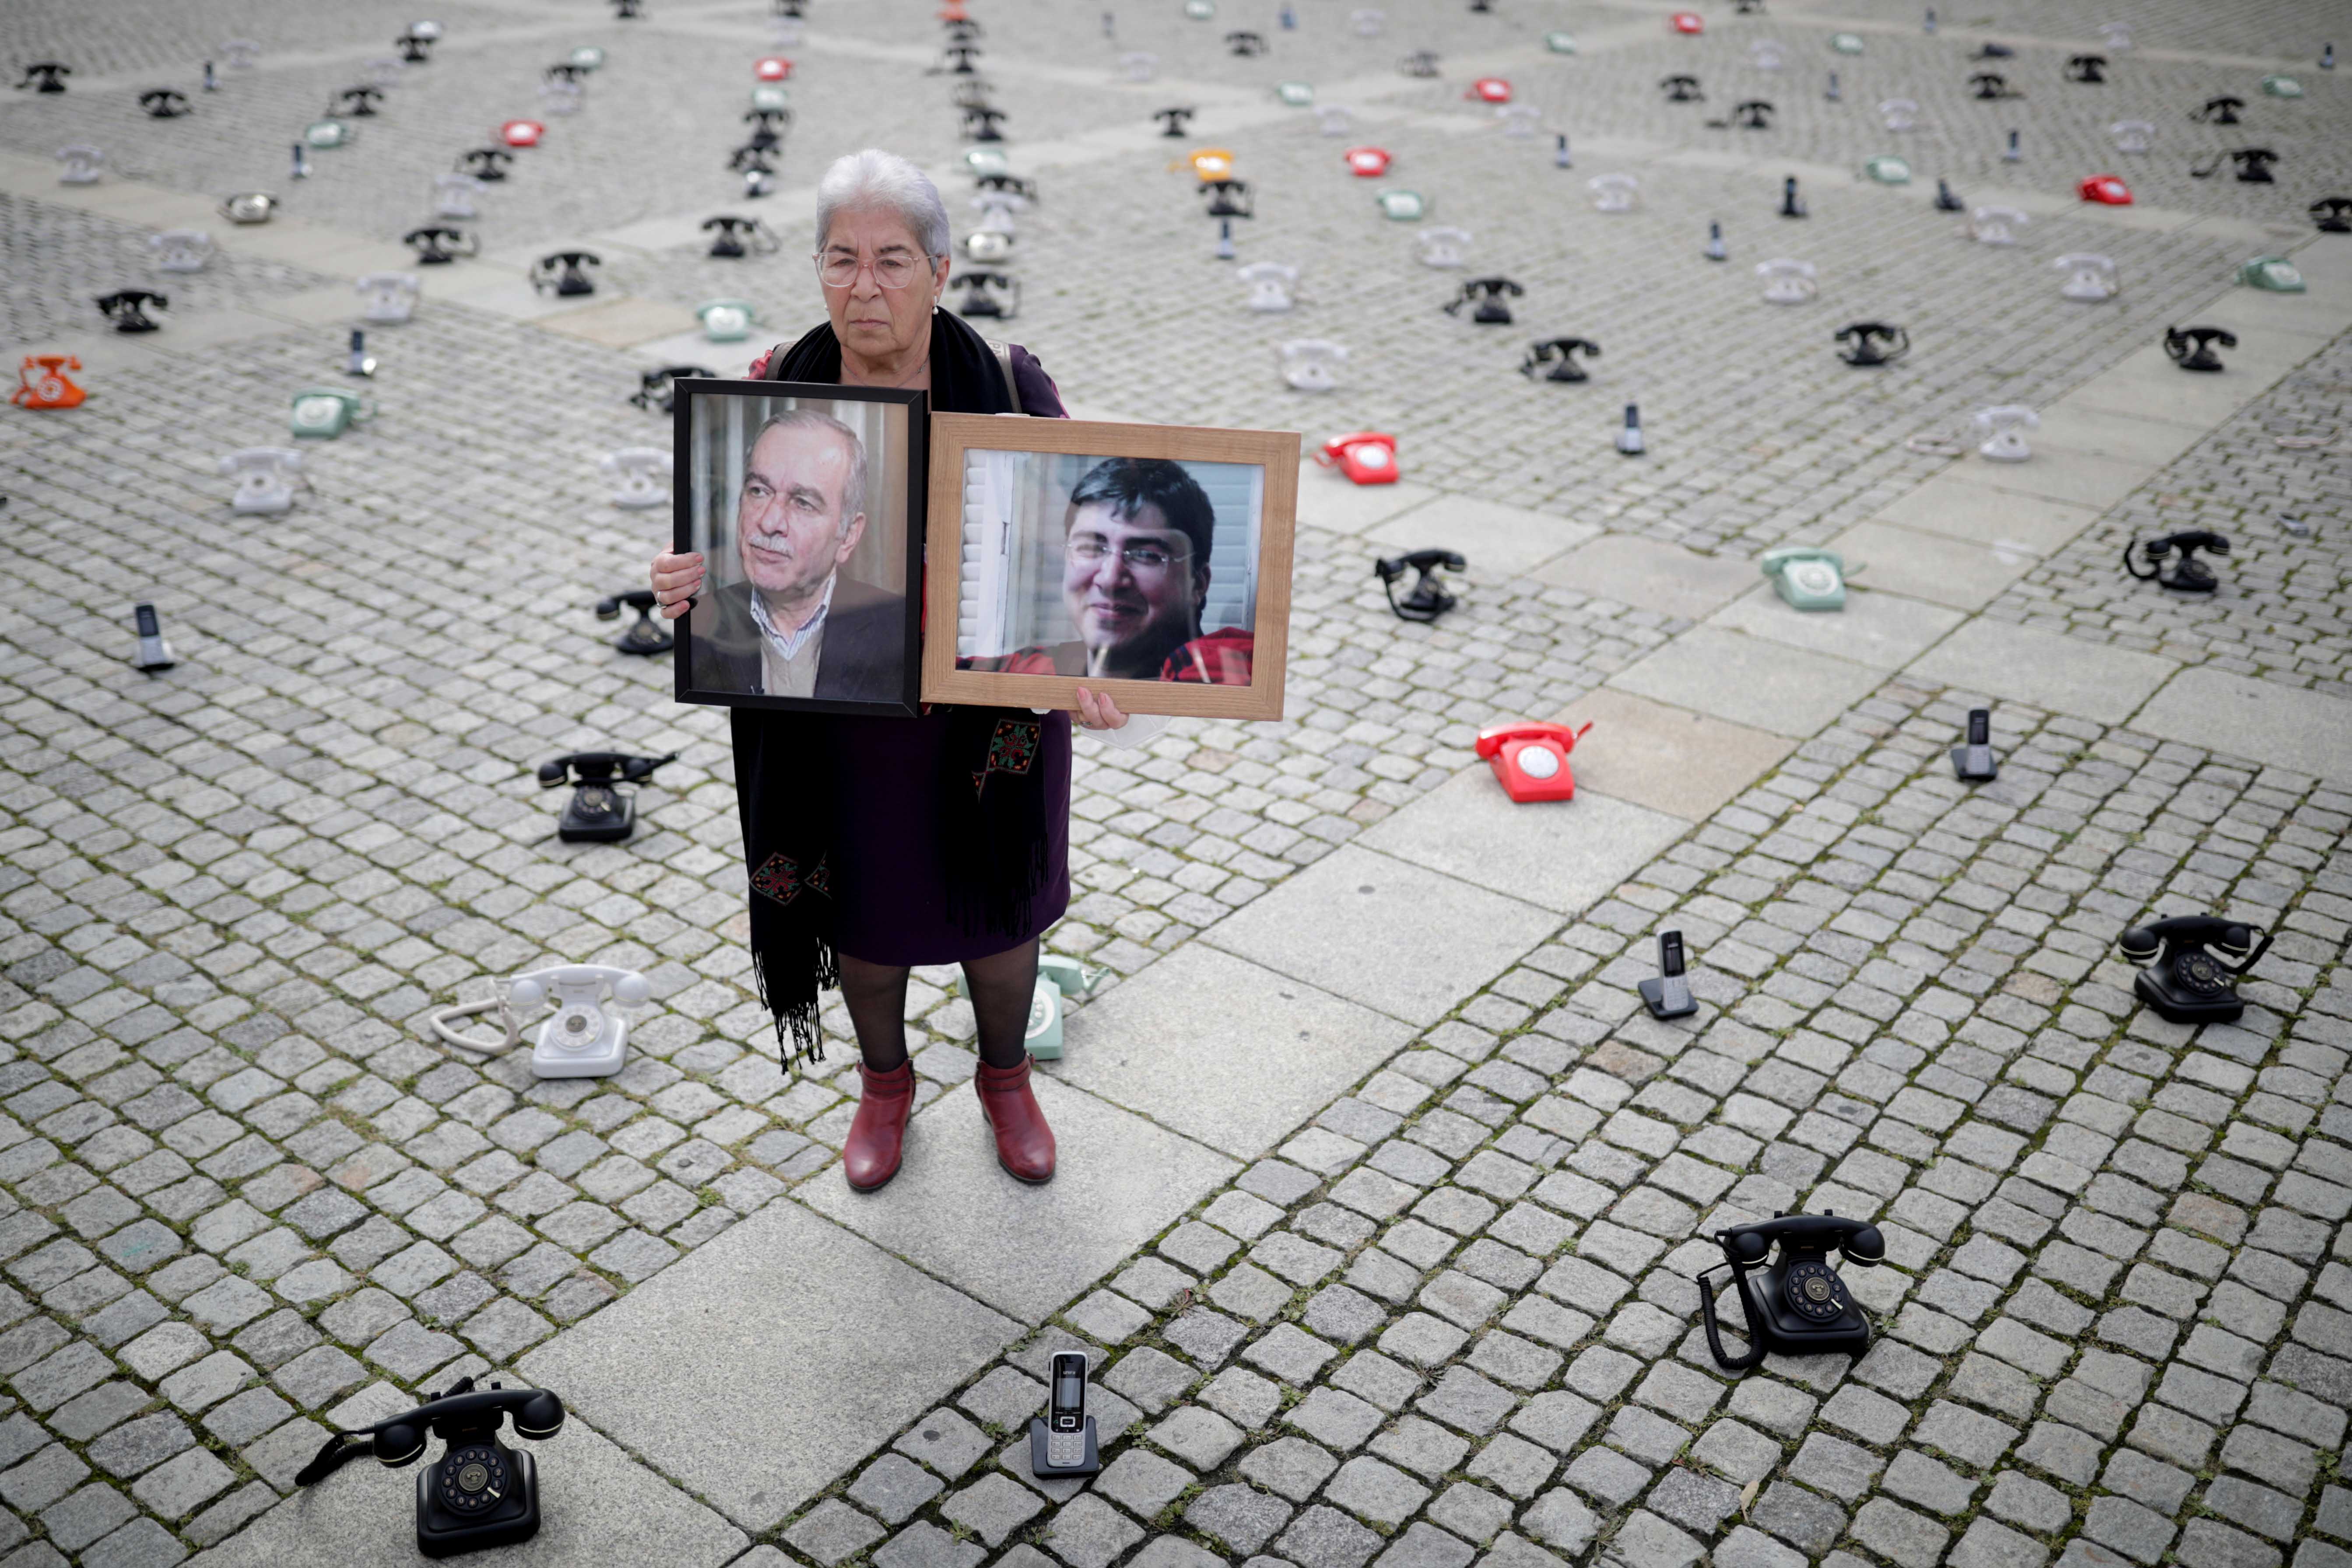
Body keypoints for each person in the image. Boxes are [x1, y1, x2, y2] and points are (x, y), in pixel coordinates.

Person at [649, 149, 1160, 1193]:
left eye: (890, 260)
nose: (864, 285)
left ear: (938, 269)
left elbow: (1078, 546)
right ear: (817, 269)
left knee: (998, 917)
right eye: (841, 259)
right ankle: (885, 1082)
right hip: (838, 721)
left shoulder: (1010, 386)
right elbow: (736, 549)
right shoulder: (769, 391)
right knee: (864, 914)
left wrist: (1098, 668)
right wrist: (685, 582)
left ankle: (1004, 1076)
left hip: (987, 717)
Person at [966, 457, 1255, 685]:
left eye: (1146, 554)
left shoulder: (1225, 669)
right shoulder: (1034, 670)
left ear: (1198, 584)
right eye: (1091, 547)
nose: (1110, 578)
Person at [688, 409, 906, 703]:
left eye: (803, 503)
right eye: (759, 491)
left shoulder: (897, 633)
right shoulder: (699, 624)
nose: (770, 522)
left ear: (849, 535)